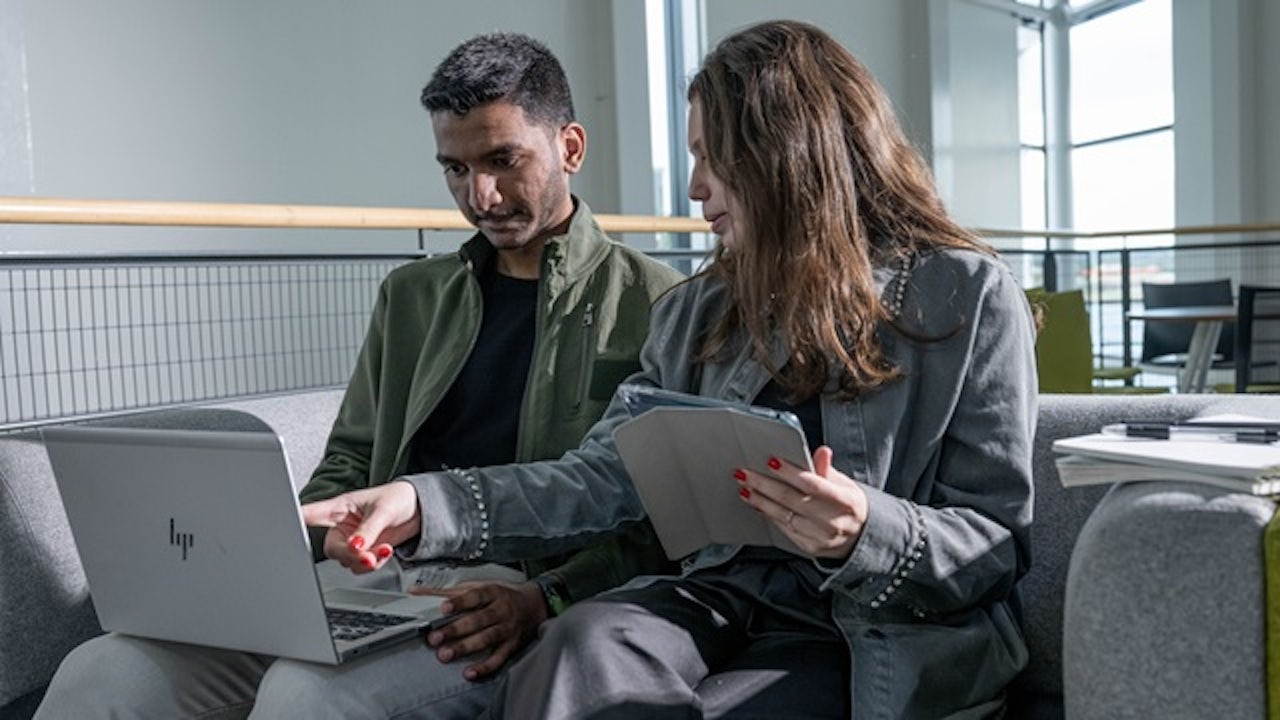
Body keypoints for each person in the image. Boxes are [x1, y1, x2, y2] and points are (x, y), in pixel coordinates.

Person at [305, 20, 1036, 719]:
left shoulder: (966, 295)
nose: (694, 188)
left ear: (791, 152)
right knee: (576, 650)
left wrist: (861, 528)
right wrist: (424, 503)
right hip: (721, 599)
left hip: (872, 627)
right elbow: (601, 475)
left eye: (712, 158)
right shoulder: (700, 309)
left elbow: (996, 546)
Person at [35, 32, 683, 720]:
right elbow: (349, 456)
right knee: (105, 670)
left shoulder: (658, 303)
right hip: (375, 579)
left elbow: (654, 515)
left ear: (570, 149)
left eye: (502, 161)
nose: (480, 196)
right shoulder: (411, 296)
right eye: (455, 169)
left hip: (504, 589)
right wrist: (322, 534)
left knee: (305, 696)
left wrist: (551, 593)